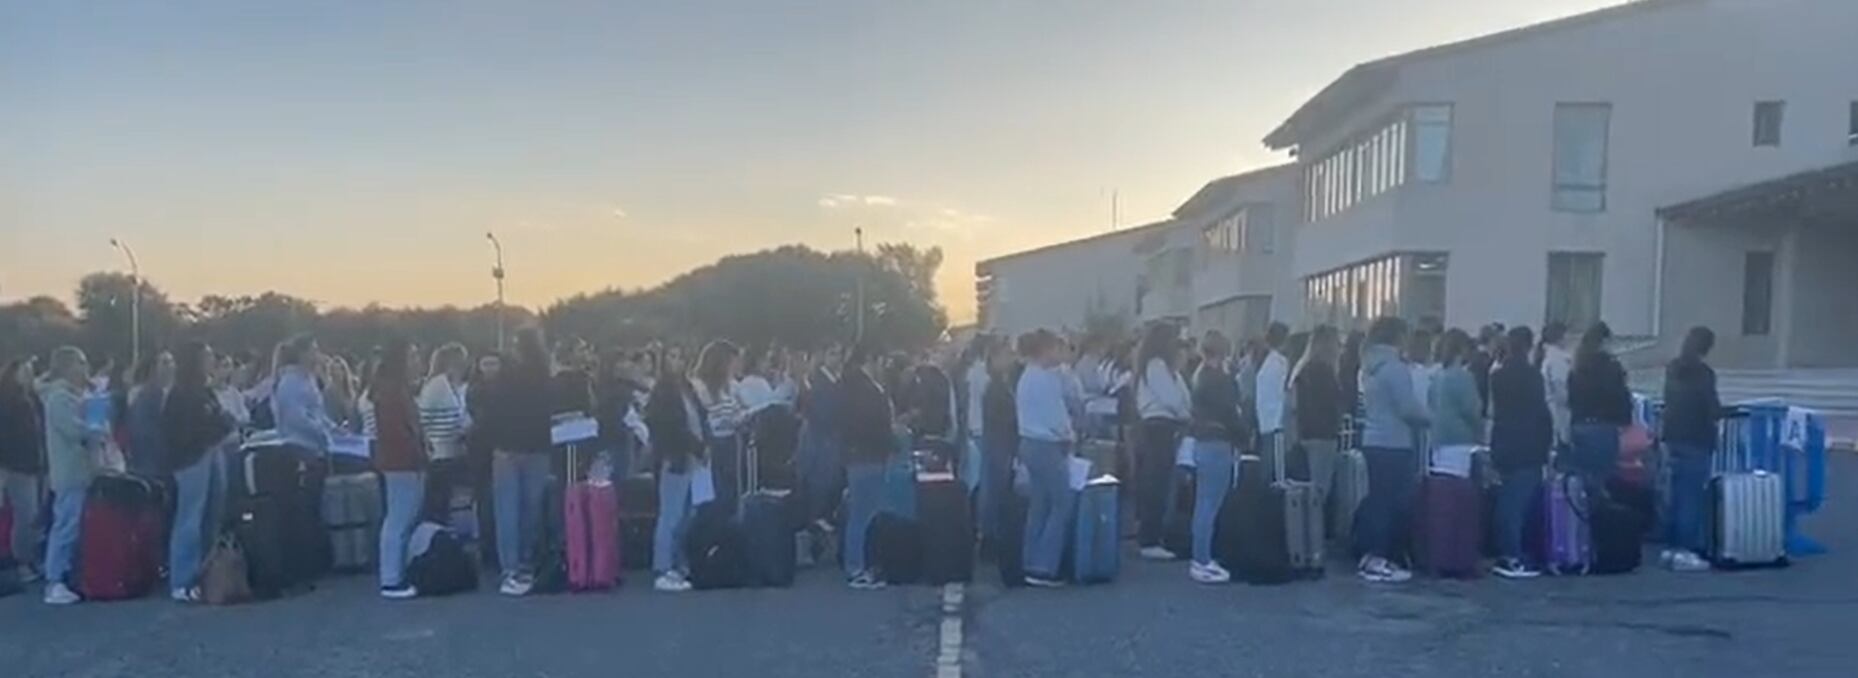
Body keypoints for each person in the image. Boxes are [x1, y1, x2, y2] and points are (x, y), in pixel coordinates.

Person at [482, 328, 556, 596]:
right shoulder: (545, 376)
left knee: (507, 511)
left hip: (506, 448)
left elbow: (491, 411)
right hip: (537, 447)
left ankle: (509, 570)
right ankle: (526, 563)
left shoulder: (506, 376)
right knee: (531, 510)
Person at [1356, 316, 1428, 583]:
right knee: (1393, 503)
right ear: (1397, 336)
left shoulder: (1370, 367)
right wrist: (1430, 418)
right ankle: (1380, 557)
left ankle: (1371, 555)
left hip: (1373, 439)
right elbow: (1407, 408)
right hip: (1394, 442)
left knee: (1378, 500)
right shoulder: (1395, 368)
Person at [161, 341, 234, 603]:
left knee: (212, 517)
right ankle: (182, 580)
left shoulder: (206, 391)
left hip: (212, 452)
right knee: (190, 519)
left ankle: (206, 573)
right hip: (191, 459)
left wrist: (219, 424)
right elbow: (190, 430)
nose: (212, 361)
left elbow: (221, 419)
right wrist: (217, 426)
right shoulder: (181, 394)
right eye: (207, 357)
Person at [40, 346, 102, 605]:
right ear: (67, 366)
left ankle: (67, 576)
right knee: (65, 525)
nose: (85, 368)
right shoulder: (59, 398)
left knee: (73, 525)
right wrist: (95, 427)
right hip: (69, 472)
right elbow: (74, 431)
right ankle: (54, 580)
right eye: (81, 362)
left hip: (80, 470)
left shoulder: (76, 396)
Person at [1015, 330, 1077, 588]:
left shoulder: (1028, 376)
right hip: (1048, 444)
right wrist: (1069, 435)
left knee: (1039, 504)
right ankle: (1045, 565)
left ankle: (1031, 560)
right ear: (1045, 350)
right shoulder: (1045, 380)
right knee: (1062, 502)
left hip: (1029, 442)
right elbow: (1057, 416)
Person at [1489, 326, 1550, 579]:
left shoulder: (1498, 376)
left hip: (1504, 441)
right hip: (1528, 444)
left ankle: (1507, 551)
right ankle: (1512, 555)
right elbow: (1540, 412)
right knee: (1518, 503)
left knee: (1507, 500)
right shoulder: (1533, 376)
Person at [1186, 332, 1247, 584]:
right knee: (1211, 503)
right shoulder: (1221, 381)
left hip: (1203, 441)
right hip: (1219, 442)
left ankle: (1200, 556)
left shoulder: (1199, 376)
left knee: (1203, 502)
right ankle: (1202, 560)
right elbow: (1231, 413)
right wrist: (1243, 438)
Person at [368, 340, 427, 599]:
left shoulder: (392, 388)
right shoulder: (393, 392)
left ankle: (395, 573)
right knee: (399, 519)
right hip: (402, 461)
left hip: (399, 460)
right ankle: (391, 578)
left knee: (400, 517)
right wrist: (417, 452)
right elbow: (397, 431)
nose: (417, 361)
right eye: (412, 356)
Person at [643, 347, 705, 593]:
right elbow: (670, 427)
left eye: (680, 356)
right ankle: (663, 567)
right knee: (671, 514)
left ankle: (680, 562)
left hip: (696, 460)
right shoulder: (662, 391)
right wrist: (695, 446)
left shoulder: (688, 388)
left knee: (690, 513)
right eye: (672, 356)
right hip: (675, 457)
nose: (677, 361)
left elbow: (700, 417)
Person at [1660, 326, 1721, 573]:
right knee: (1691, 498)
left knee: (1675, 495)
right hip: (1696, 438)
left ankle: (1671, 548)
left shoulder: (1673, 368)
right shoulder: (1703, 373)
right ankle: (1685, 550)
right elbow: (1711, 407)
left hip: (1673, 436)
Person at [839, 344, 896, 590]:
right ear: (871, 359)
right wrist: (891, 442)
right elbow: (876, 425)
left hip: (858, 455)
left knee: (861, 513)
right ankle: (856, 567)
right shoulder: (868, 391)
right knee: (862, 514)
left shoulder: (851, 387)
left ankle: (858, 564)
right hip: (869, 456)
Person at [1132, 323, 1190, 561]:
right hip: (1158, 425)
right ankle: (1149, 538)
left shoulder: (1161, 367)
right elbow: (1173, 399)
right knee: (1156, 482)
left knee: (1160, 481)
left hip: (1162, 426)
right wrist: (1185, 414)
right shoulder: (1155, 366)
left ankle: (1154, 534)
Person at [1566, 322, 1631, 480]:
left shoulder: (1577, 367)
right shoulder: (1611, 367)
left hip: (1580, 424)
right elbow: (1618, 396)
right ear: (1604, 341)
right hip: (1604, 426)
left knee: (1583, 475)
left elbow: (1571, 397)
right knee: (1602, 476)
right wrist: (1625, 420)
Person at [0, 356, 46, 583]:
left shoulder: (31, 398)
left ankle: (24, 561)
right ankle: (22, 562)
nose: (29, 375)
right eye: (24, 371)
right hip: (16, 464)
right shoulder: (12, 401)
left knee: (29, 515)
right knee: (26, 515)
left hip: (28, 464)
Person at [1291, 325, 1344, 510]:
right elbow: (1333, 404)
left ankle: (1306, 522)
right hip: (1324, 435)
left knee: (1308, 486)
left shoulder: (1302, 370)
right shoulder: (1326, 372)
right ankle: (1316, 523)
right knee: (1321, 489)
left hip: (1306, 433)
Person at [418, 343, 472, 521]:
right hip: (440, 454)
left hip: (453, 452)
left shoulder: (455, 386)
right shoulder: (436, 386)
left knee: (446, 501)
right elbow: (423, 419)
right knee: (438, 503)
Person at [797, 344, 846, 533]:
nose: (837, 358)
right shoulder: (820, 382)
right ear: (823, 356)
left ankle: (822, 517)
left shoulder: (836, 381)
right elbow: (818, 412)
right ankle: (816, 519)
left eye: (839, 354)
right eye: (832, 353)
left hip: (832, 438)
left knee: (831, 480)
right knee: (821, 480)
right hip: (822, 438)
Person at [690, 341, 745, 508]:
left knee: (729, 497)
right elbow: (700, 417)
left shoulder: (730, 387)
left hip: (730, 445)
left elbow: (737, 411)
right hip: (711, 447)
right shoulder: (698, 387)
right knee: (711, 498)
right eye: (732, 363)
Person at [978, 340, 1020, 550]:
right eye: (1006, 355)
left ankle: (992, 534)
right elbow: (1002, 417)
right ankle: (990, 536)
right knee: (995, 490)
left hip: (1000, 443)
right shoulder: (995, 388)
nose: (1010, 359)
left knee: (997, 489)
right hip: (998, 443)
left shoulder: (1003, 385)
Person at [1428, 329, 1484, 470]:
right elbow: (1472, 411)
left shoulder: (1436, 377)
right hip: (1460, 442)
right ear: (1462, 349)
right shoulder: (1464, 377)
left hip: (1438, 440)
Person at [125, 351, 176, 477]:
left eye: (172, 362)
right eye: (165, 362)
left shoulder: (173, 394)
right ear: (154, 368)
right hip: (148, 462)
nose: (171, 366)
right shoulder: (144, 395)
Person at [1254, 322, 1291, 469]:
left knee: (1266, 460)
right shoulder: (1281, 362)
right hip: (1277, 419)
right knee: (1275, 464)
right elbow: (1284, 390)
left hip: (1264, 417)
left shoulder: (1263, 361)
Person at [1537, 322, 1574, 452]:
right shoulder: (1558, 358)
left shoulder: (1545, 355)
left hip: (1548, 409)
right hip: (1558, 412)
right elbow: (1560, 388)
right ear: (1560, 337)